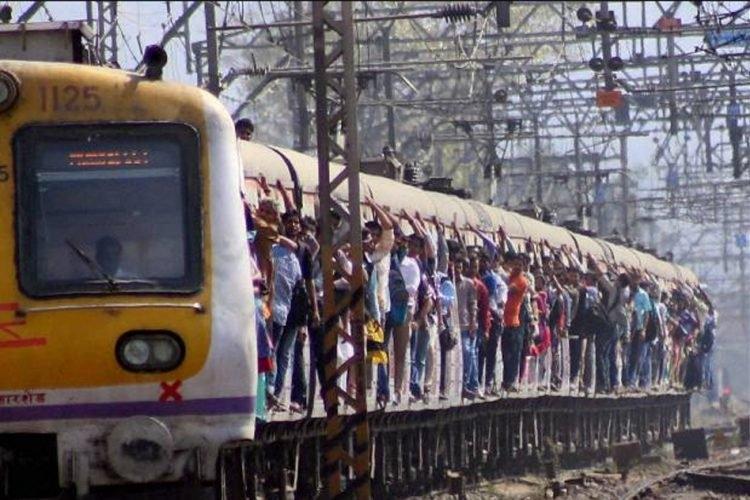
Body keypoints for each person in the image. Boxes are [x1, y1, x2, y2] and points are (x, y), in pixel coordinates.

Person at [501, 251, 528, 392]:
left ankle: (510, 380)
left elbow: (509, 289)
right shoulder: (510, 276)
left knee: (512, 354)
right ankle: (506, 380)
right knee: (505, 353)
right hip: (504, 320)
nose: (517, 266)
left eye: (519, 265)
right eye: (515, 264)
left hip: (514, 321)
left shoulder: (522, 281)